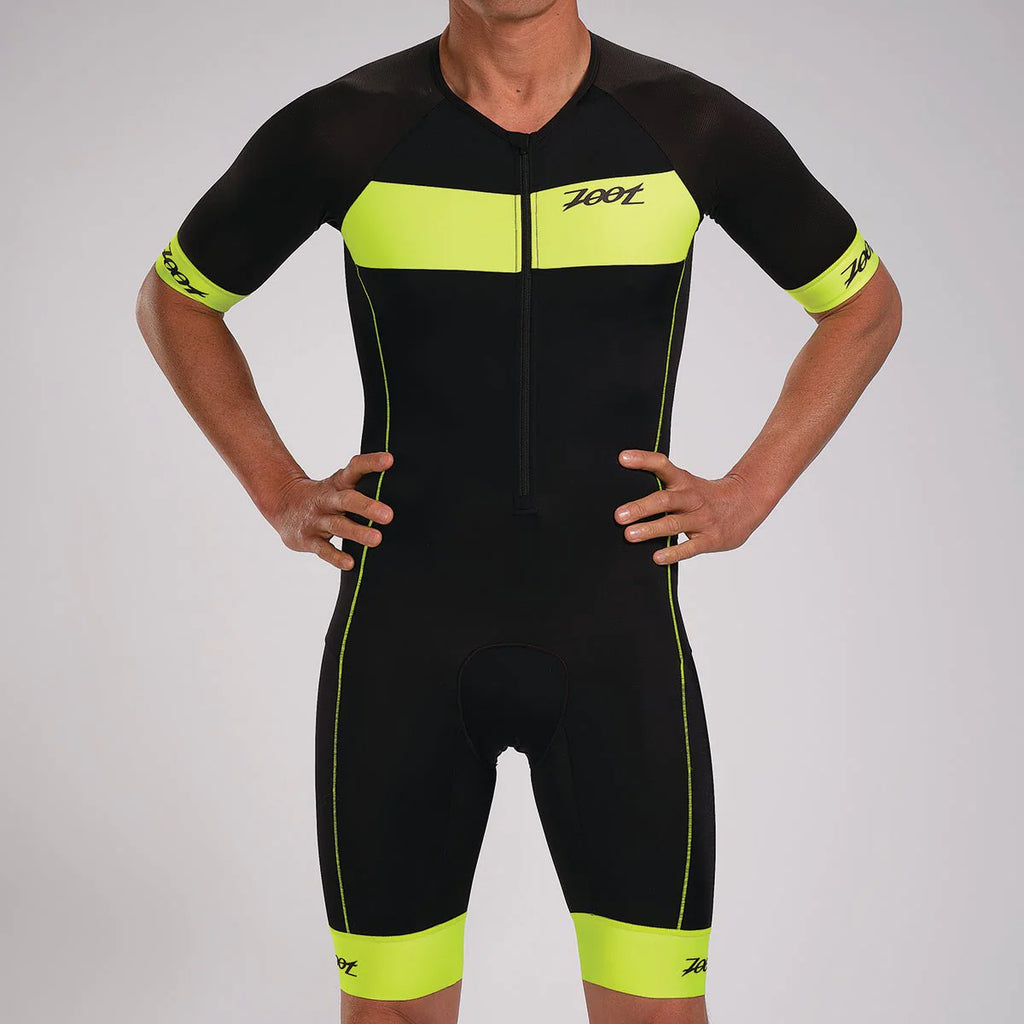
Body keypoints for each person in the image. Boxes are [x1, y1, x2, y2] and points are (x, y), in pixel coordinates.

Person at [135, 1, 902, 1021]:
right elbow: (176, 299)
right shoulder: (346, 128)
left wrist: (750, 491)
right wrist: (276, 487)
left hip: (617, 648)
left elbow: (862, 305)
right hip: (401, 647)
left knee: (656, 1014)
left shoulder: (686, 125)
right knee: (391, 1013)